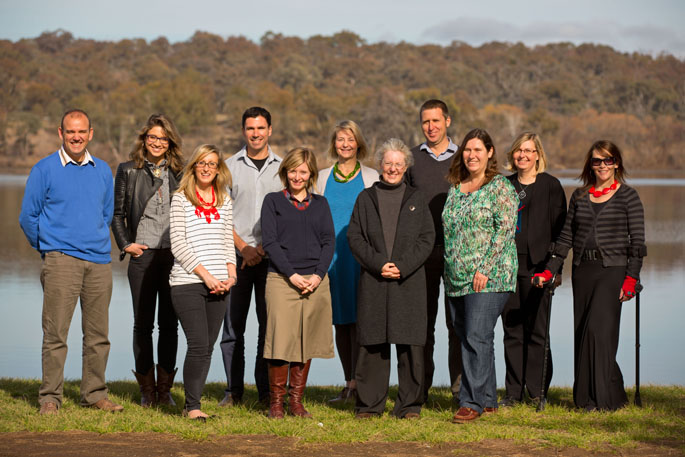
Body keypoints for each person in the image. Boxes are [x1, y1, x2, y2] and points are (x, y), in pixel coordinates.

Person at [19, 108, 123, 414]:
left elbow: (106, 214)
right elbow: (28, 217)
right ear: (60, 133)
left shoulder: (103, 169)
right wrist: (49, 249)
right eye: (70, 131)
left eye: (81, 131)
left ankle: (94, 393)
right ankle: (50, 397)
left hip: (99, 264)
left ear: (90, 134)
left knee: (98, 336)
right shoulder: (44, 169)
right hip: (60, 261)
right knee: (55, 335)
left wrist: (91, 241)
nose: (76, 137)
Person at [534, 140, 646, 411]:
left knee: (599, 332)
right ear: (590, 164)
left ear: (617, 163)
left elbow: (638, 244)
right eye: (597, 161)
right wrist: (550, 268)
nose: (603, 165)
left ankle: (604, 401)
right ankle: (589, 398)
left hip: (613, 272)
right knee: (584, 332)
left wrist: (631, 279)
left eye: (608, 160)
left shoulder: (628, 196)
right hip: (583, 272)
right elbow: (566, 237)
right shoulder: (580, 196)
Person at [347, 138, 435, 419]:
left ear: (406, 166)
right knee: (373, 344)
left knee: (410, 344)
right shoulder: (365, 198)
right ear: (380, 165)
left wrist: (402, 266)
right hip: (374, 280)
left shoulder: (417, 199)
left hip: (408, 281)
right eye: (388, 163)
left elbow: (427, 238)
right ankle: (370, 405)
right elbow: (355, 237)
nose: (393, 168)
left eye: (399, 164)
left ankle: (409, 406)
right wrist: (378, 264)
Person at [442, 128, 518, 423]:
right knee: (471, 337)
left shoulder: (500, 187)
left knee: (477, 335)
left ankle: (470, 401)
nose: (472, 155)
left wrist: (485, 269)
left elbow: (505, 231)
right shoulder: (456, 186)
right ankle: (487, 398)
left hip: (490, 276)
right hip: (456, 278)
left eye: (478, 150)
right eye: (467, 150)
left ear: (489, 153)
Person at [112, 114, 184, 407]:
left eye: (162, 138)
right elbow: (117, 214)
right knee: (143, 325)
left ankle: (164, 392)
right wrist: (126, 244)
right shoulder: (128, 171)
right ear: (145, 139)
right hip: (142, 257)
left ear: (170, 142)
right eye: (152, 137)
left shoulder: (181, 172)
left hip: (173, 257)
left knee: (169, 325)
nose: (156, 142)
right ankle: (146, 391)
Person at [261, 147, 336, 419]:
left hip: (315, 281)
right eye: (292, 170)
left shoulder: (321, 204)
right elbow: (269, 241)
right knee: (281, 341)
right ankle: (276, 403)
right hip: (282, 280)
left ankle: (296, 401)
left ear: (311, 174)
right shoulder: (272, 201)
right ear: (285, 172)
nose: (297, 176)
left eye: (302, 171)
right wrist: (292, 275)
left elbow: (329, 241)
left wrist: (317, 276)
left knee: (306, 342)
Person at [219, 107, 282, 407]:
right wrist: (244, 247)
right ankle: (233, 392)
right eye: (249, 128)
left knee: (268, 328)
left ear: (270, 129)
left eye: (260, 128)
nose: (255, 134)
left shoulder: (283, 167)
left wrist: (265, 247)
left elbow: (286, 215)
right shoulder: (228, 167)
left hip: (272, 259)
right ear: (243, 131)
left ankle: (266, 393)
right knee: (233, 328)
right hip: (236, 258)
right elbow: (220, 214)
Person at [169, 144, 237, 421]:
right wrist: (207, 276)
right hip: (188, 283)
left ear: (219, 168)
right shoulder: (180, 199)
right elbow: (178, 244)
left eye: (212, 163)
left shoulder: (225, 200)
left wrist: (231, 277)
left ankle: (191, 404)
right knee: (197, 343)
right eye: (202, 163)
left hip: (221, 285)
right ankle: (193, 406)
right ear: (193, 167)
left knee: (207, 346)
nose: (207, 168)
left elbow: (226, 243)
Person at [500, 132, 567, 407]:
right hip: (507, 267)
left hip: (539, 268)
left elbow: (562, 231)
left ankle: (538, 391)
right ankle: (514, 393)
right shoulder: (503, 185)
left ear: (538, 154)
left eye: (529, 151)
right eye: (518, 151)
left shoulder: (551, 186)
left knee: (537, 331)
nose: (523, 155)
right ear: (512, 155)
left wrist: (554, 268)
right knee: (512, 330)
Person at [317, 120, 379, 405]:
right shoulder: (321, 178)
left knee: (362, 320)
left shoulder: (371, 177)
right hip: (332, 260)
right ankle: (349, 384)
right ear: (334, 143)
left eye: (350, 139)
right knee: (341, 322)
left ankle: (364, 383)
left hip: (361, 259)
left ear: (358, 144)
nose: (345, 144)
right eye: (340, 139)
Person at [406, 99, 462, 404]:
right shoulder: (411, 159)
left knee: (457, 325)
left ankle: (459, 391)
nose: (431, 127)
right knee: (422, 326)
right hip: (421, 253)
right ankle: (419, 391)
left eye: (436, 121)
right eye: (425, 122)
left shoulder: (464, 157)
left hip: (457, 253)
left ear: (447, 121)